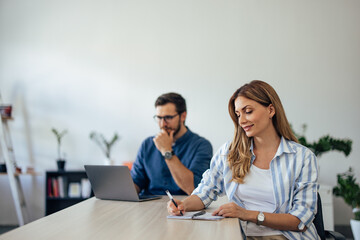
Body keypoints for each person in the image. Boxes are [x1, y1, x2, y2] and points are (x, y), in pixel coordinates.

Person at [167, 81, 319, 240]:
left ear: (271, 110)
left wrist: (247, 214)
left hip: (285, 236)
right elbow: (205, 192)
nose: (242, 121)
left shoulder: (302, 157)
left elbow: (301, 220)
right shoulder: (229, 153)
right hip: (239, 234)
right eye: (238, 114)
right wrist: (183, 205)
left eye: (248, 111)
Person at [131, 92, 213, 196]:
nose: (162, 124)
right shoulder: (147, 144)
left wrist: (167, 151)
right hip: (149, 204)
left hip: (183, 206)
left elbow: (193, 189)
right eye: (159, 118)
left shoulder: (201, 145)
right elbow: (136, 182)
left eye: (168, 118)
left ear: (183, 116)